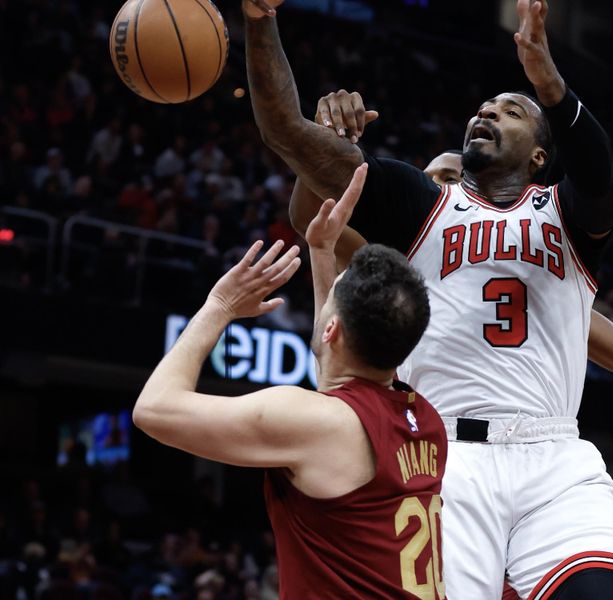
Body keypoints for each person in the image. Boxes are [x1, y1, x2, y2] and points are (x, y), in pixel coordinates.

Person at [242, 0, 613, 597]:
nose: (487, 112)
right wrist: (261, 22)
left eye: (510, 111)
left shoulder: (566, 217)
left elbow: (597, 170)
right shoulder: (421, 203)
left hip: (554, 455)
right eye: (482, 108)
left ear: (541, 156)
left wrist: (547, 82)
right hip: (444, 461)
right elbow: (286, 134)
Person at [291, 97, 613, 458]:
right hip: (408, 443)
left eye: (455, 179)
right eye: (439, 181)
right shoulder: (397, 257)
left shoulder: (530, 292)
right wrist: (319, 144)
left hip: (502, 453)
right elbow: (308, 218)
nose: (452, 194)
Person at [133, 165, 448, 599]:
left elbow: (154, 409)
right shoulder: (425, 419)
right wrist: (322, 250)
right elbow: (337, 382)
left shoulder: (315, 424)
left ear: (332, 329)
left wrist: (220, 305)